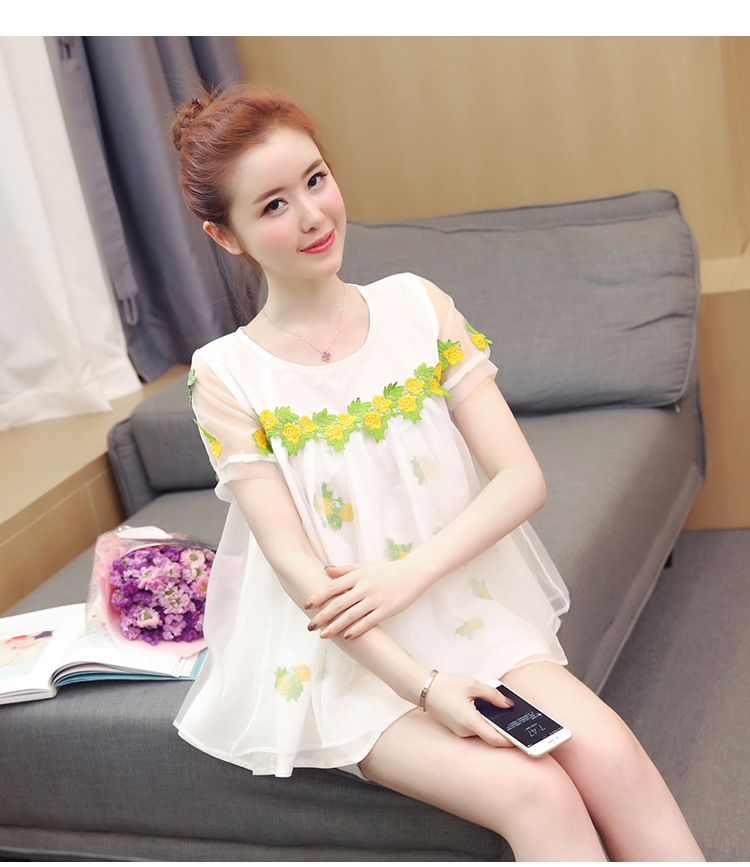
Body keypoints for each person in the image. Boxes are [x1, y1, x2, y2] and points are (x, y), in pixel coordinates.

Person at [170, 84, 704, 862]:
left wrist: (408, 576)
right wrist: (424, 686)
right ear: (226, 236)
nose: (313, 215)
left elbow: (521, 477)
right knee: (538, 792)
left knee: (613, 754)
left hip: (463, 613)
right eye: (275, 205)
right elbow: (297, 568)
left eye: (316, 179)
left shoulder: (416, 307)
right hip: (344, 660)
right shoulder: (226, 374)